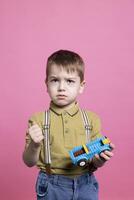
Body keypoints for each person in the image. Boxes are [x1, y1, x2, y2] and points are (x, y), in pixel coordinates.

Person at [23, 49, 115, 200]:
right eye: (55, 80)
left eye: (70, 81)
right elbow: (28, 162)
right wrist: (34, 145)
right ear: (46, 84)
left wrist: (101, 159)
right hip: (51, 186)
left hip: (86, 184)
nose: (61, 88)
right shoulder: (38, 120)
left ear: (81, 86)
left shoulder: (91, 119)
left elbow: (95, 162)